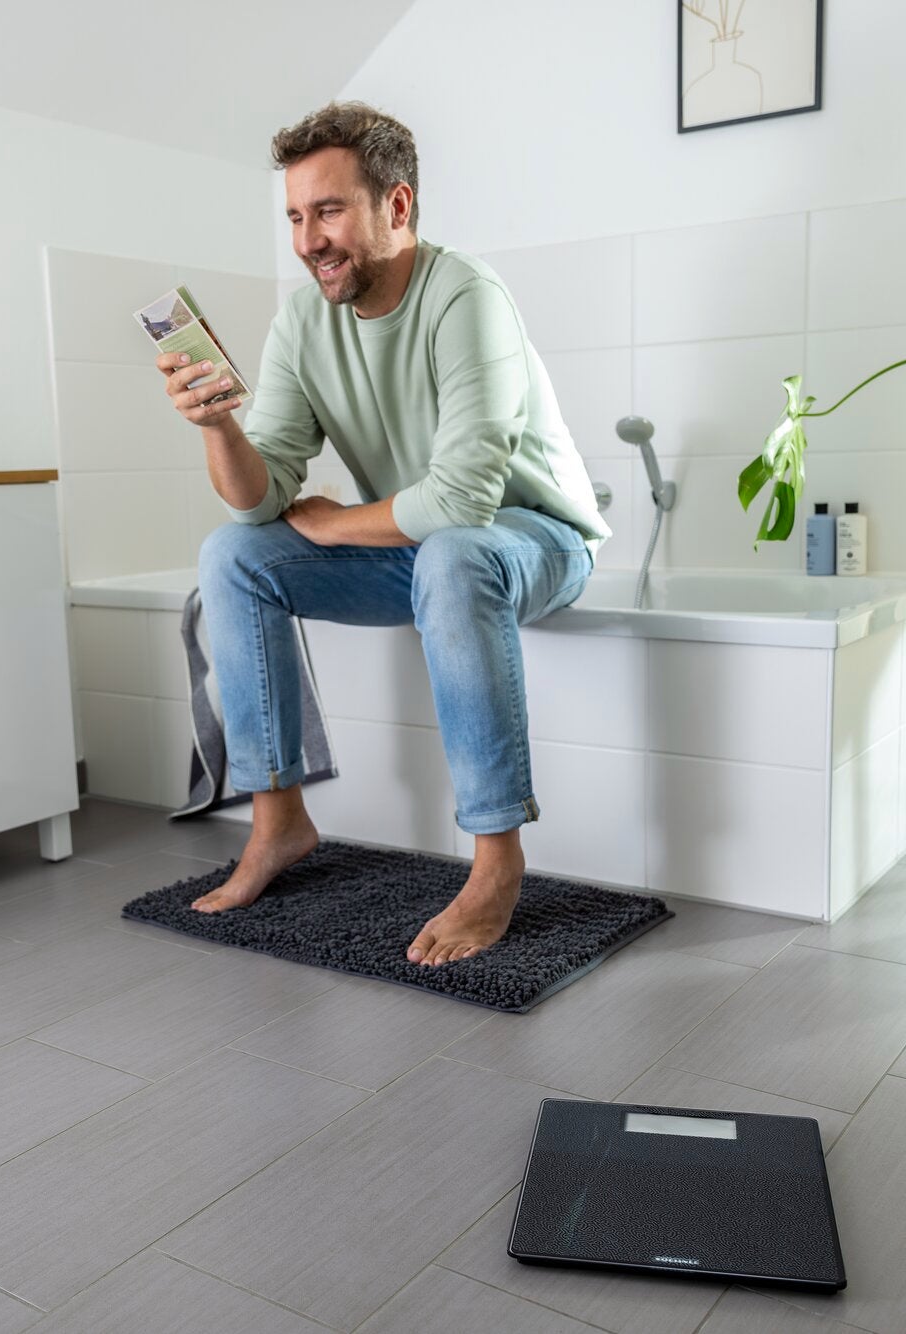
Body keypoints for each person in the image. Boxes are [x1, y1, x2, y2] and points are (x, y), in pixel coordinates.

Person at [155, 101, 609, 967]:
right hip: (428, 551)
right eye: (295, 216)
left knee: (454, 551)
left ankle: (496, 861)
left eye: (328, 211)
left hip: (534, 542)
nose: (307, 239)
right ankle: (278, 819)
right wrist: (218, 428)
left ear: (396, 207)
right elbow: (258, 504)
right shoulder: (302, 322)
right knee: (232, 555)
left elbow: (467, 500)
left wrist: (333, 525)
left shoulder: (466, 297)